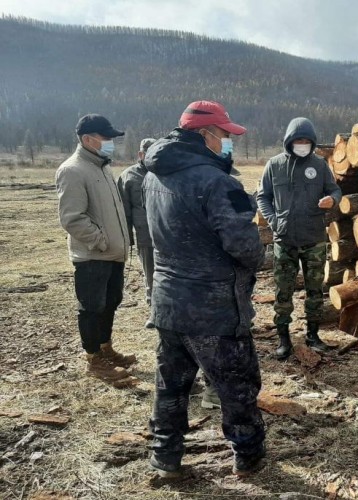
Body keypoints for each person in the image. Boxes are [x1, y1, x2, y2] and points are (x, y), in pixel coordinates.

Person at [142, 100, 266, 478]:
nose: (228, 142)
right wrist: (257, 254)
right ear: (204, 134)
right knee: (237, 386)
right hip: (213, 309)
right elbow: (245, 247)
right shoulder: (219, 183)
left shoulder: (152, 175)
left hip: (168, 303)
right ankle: (248, 455)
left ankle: (165, 456)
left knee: (172, 385)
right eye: (225, 135)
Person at [55, 114, 137, 384]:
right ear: (87, 139)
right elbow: (72, 218)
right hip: (92, 255)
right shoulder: (73, 170)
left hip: (112, 254)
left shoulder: (102, 167)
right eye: (106, 138)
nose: (111, 143)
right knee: (91, 307)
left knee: (110, 302)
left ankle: (105, 348)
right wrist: (101, 241)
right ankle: (93, 359)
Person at [256, 117, 342, 359]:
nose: (302, 144)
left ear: (312, 142)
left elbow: (335, 189)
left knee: (315, 291)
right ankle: (284, 339)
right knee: (283, 292)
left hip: (313, 238)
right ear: (289, 141)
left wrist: (332, 199)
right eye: (298, 140)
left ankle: (313, 336)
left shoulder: (320, 165)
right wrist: (273, 221)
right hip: (285, 241)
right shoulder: (274, 165)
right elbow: (263, 196)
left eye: (306, 140)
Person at [117, 137, 157, 328]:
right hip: (145, 235)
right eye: (148, 153)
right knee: (150, 274)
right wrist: (127, 239)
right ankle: (154, 313)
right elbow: (123, 210)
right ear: (141, 154)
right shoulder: (128, 176)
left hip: (168, 235)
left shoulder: (165, 173)